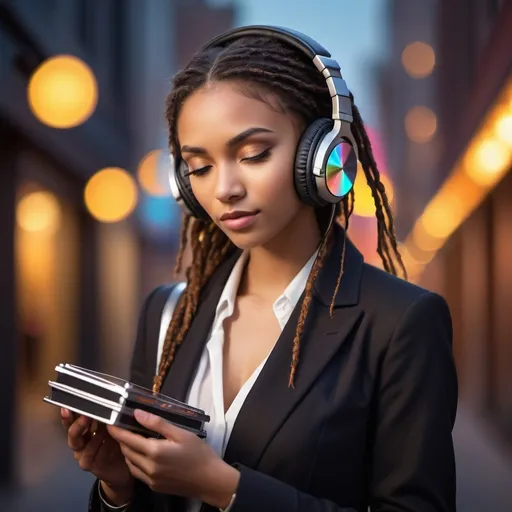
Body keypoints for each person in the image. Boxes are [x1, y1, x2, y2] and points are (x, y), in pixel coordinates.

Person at [61, 26, 458, 512]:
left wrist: (224, 487)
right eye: (200, 167)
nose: (224, 188)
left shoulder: (401, 323)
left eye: (253, 154)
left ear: (323, 155)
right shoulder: (168, 314)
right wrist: (118, 488)